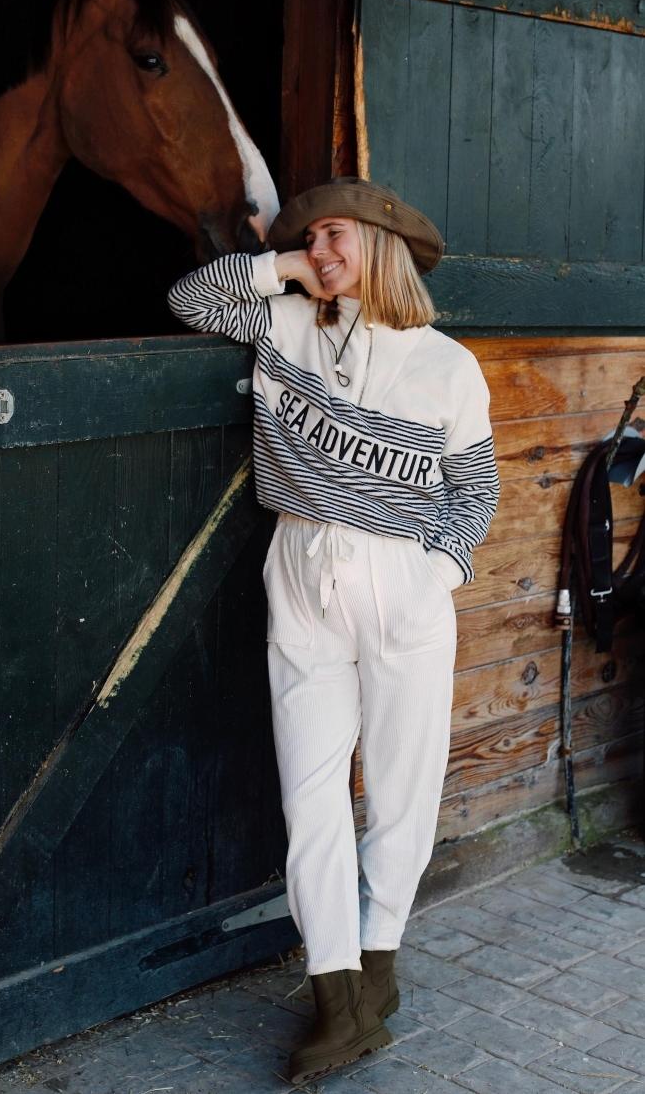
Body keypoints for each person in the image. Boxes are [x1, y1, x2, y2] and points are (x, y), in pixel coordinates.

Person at [167, 178, 499, 1082]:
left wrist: (432, 580)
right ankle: (335, 994)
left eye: (335, 237)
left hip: (404, 579)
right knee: (309, 790)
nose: (320, 251)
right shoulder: (285, 327)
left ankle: (378, 961)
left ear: (384, 243)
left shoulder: (445, 366)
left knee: (401, 790)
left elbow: (476, 494)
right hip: (303, 569)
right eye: (310, 238)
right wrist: (282, 266)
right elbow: (189, 298)